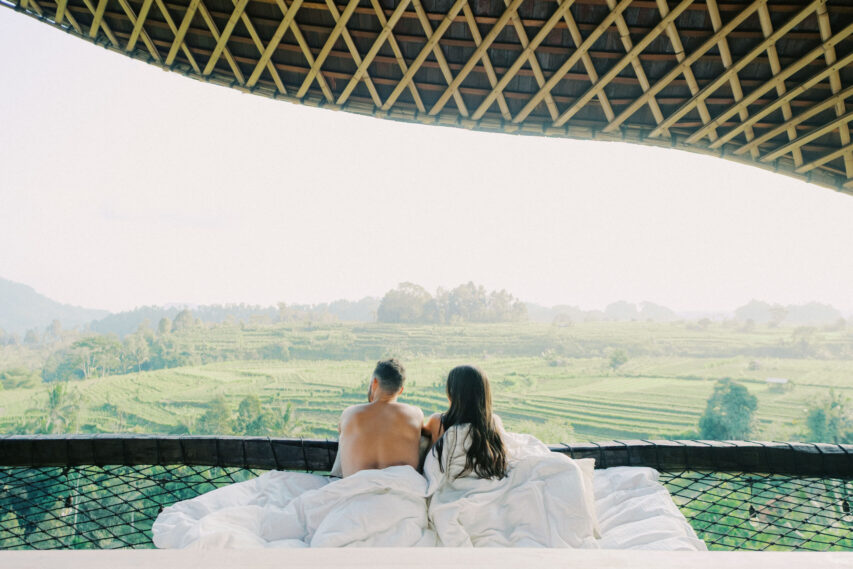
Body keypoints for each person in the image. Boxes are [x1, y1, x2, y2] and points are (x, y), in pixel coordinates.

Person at [336, 358, 424, 477]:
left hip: (358, 485)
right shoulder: (415, 414)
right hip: (401, 486)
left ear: (375, 382)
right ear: (401, 390)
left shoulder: (349, 413)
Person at [424, 364, 507, 480]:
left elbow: (422, 434)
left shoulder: (438, 421)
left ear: (451, 393)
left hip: (452, 483)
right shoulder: (493, 422)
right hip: (485, 480)